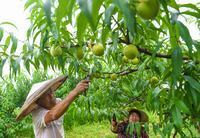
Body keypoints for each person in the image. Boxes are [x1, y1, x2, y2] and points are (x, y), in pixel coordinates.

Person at [16, 75, 89, 138]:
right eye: (46, 95)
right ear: (39, 101)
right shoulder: (37, 113)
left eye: (51, 91)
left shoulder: (58, 102)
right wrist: (74, 92)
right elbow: (52, 115)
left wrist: (78, 91)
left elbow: (63, 105)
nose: (51, 95)